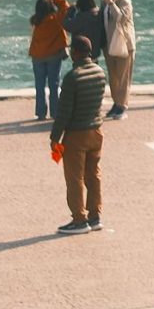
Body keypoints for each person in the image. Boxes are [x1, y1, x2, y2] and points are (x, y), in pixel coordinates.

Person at [54, 34, 107, 232]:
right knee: (93, 175)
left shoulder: (72, 77)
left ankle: (79, 219)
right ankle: (95, 216)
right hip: (96, 131)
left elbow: (64, 112)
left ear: (74, 52)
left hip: (76, 134)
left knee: (74, 178)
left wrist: (55, 138)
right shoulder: (100, 72)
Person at [28, 0, 70, 123]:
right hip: (53, 55)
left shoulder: (35, 21)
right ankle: (55, 112)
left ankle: (40, 113)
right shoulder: (55, 19)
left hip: (37, 55)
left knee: (39, 85)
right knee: (54, 84)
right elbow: (65, 7)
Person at [102, 0, 135, 117]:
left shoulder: (124, 0)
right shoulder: (104, 1)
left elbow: (121, 18)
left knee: (123, 77)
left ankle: (122, 105)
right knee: (113, 77)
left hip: (124, 45)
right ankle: (116, 103)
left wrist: (111, 4)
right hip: (109, 45)